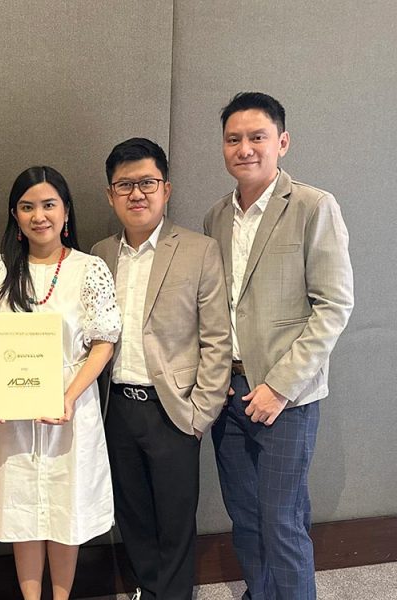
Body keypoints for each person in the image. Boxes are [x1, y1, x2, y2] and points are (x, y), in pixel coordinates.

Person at [204, 92, 354, 600]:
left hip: (287, 396)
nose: (244, 148)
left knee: (282, 521)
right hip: (229, 393)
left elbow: (334, 305)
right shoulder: (215, 217)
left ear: (282, 142)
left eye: (257, 137)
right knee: (245, 519)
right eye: (233, 139)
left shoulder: (314, 206)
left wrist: (279, 386)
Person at [0, 166, 120, 600]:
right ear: (15, 215)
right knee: (22, 510)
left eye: (49, 205)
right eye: (27, 207)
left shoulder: (89, 269)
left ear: (66, 211)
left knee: (63, 509)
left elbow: (103, 344)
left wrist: (68, 397)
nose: (39, 216)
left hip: (70, 406)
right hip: (14, 410)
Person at [91, 138, 231, 599]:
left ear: (166, 189)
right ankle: (147, 591)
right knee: (131, 515)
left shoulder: (199, 249)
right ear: (110, 194)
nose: (137, 194)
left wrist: (200, 413)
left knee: (174, 520)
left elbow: (217, 339)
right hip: (115, 408)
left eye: (147, 183)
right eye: (125, 185)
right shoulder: (99, 254)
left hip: (173, 409)